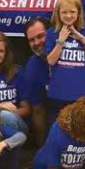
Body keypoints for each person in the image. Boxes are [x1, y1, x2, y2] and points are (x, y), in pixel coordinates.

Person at [45, 0, 85, 128]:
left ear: (78, 12)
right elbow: (50, 61)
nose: (68, 16)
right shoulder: (52, 32)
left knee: (80, 130)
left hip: (81, 94)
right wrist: (61, 41)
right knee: (57, 130)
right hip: (58, 93)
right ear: (58, 13)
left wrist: (82, 39)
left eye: (72, 12)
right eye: (64, 12)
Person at [23, 17, 50, 146]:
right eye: (32, 40)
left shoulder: (71, 55)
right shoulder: (32, 67)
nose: (37, 42)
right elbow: (38, 111)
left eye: (41, 36)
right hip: (53, 121)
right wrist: (42, 148)